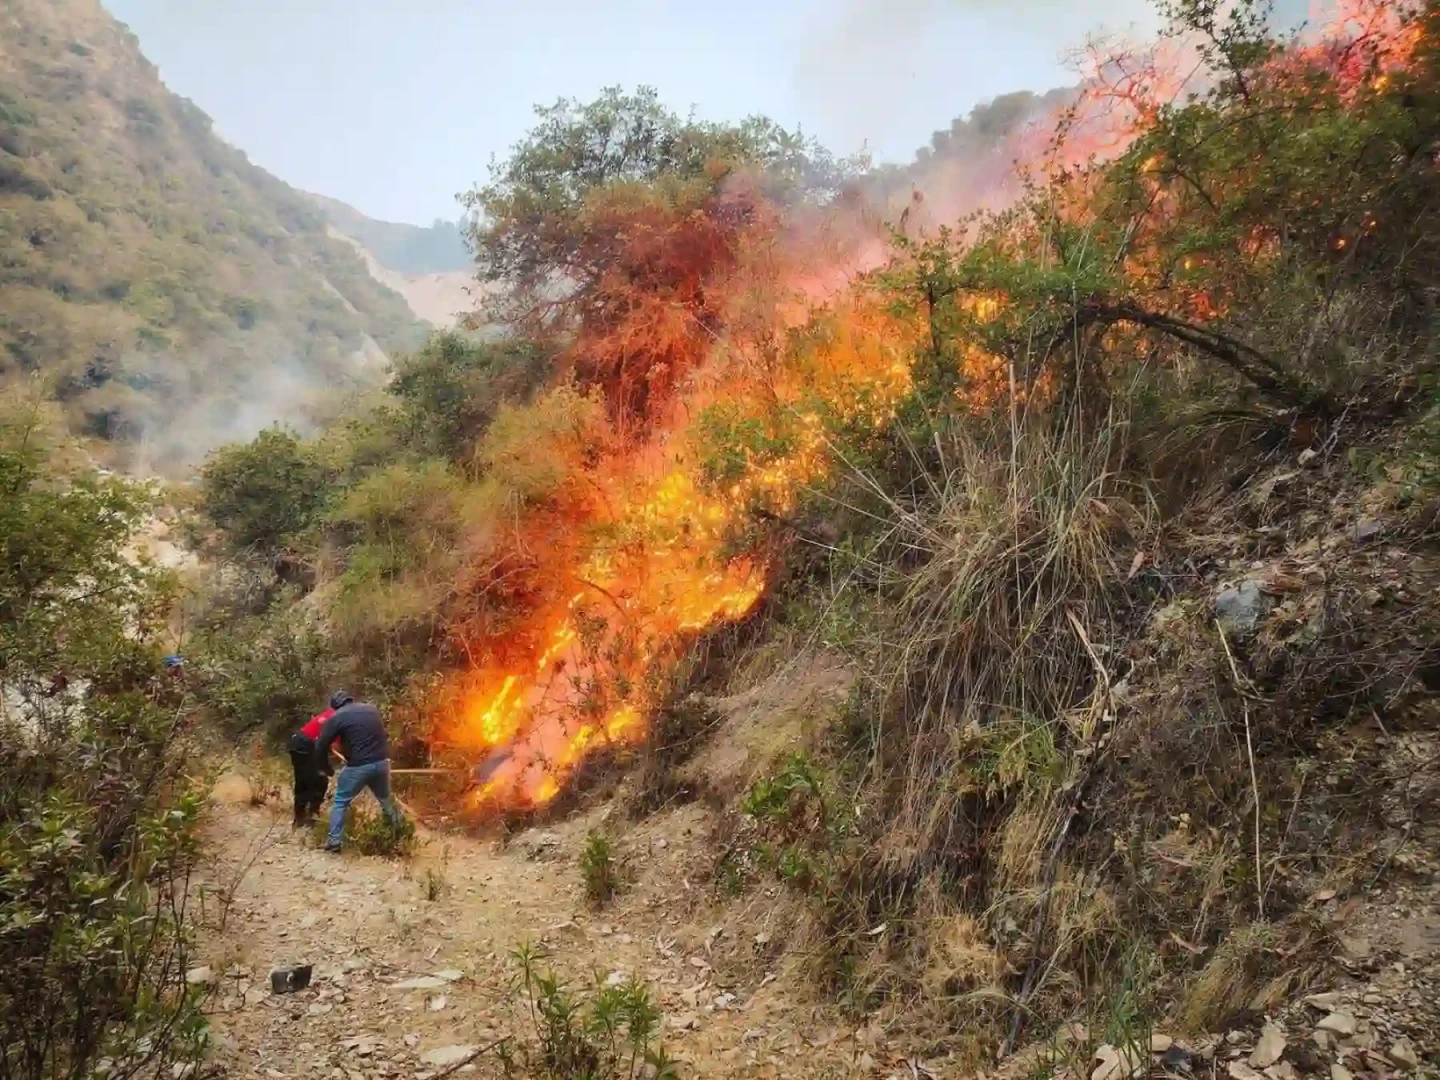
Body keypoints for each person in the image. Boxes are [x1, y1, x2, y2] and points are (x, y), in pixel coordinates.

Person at [315, 691, 405, 853]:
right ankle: (401, 836)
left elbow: (321, 745)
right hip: (382, 762)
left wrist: (326, 768)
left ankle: (334, 842)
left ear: (335, 706)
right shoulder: (371, 709)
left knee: (340, 801)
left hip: (358, 766)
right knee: (386, 800)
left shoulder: (337, 717)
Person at [287, 705, 333, 828]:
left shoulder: (330, 713)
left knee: (303, 781)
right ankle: (310, 819)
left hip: (298, 742)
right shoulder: (338, 718)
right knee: (318, 781)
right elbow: (332, 746)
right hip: (305, 746)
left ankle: (301, 818)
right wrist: (327, 768)